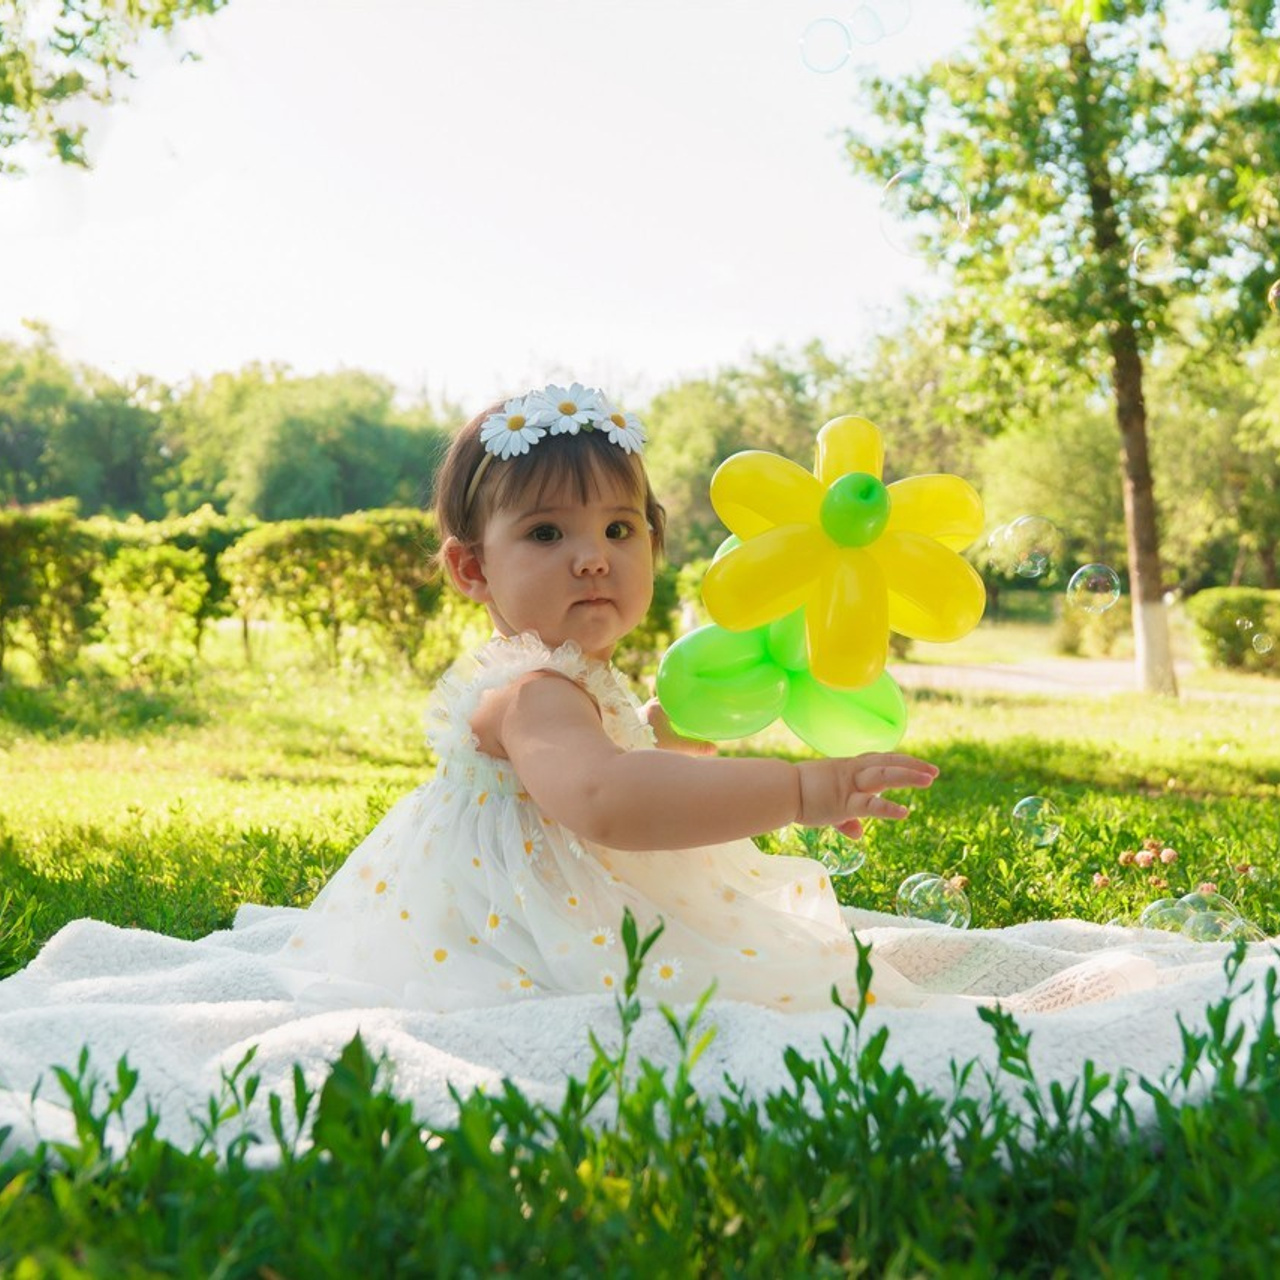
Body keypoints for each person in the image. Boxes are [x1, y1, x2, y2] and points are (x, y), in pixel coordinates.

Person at [280, 383, 942, 1012]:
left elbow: (619, 760)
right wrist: (802, 793)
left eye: (619, 530)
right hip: (512, 933)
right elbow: (608, 798)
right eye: (547, 533)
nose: (593, 557)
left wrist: (664, 731)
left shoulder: (569, 680)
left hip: (571, 907)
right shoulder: (534, 693)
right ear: (473, 568)